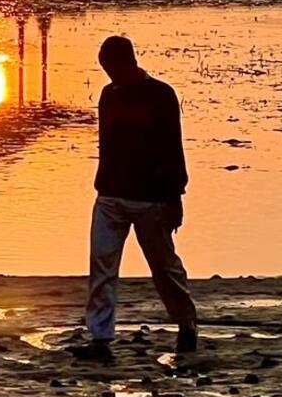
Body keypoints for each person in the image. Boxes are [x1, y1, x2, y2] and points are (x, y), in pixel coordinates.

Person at [78, 35, 198, 362]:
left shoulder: (161, 95)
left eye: (112, 67)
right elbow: (106, 145)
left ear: (128, 62)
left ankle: (186, 322)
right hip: (110, 195)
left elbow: (173, 147)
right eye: (105, 69)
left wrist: (176, 195)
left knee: (164, 266)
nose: (110, 74)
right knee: (102, 264)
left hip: (152, 198)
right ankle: (100, 336)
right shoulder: (109, 95)